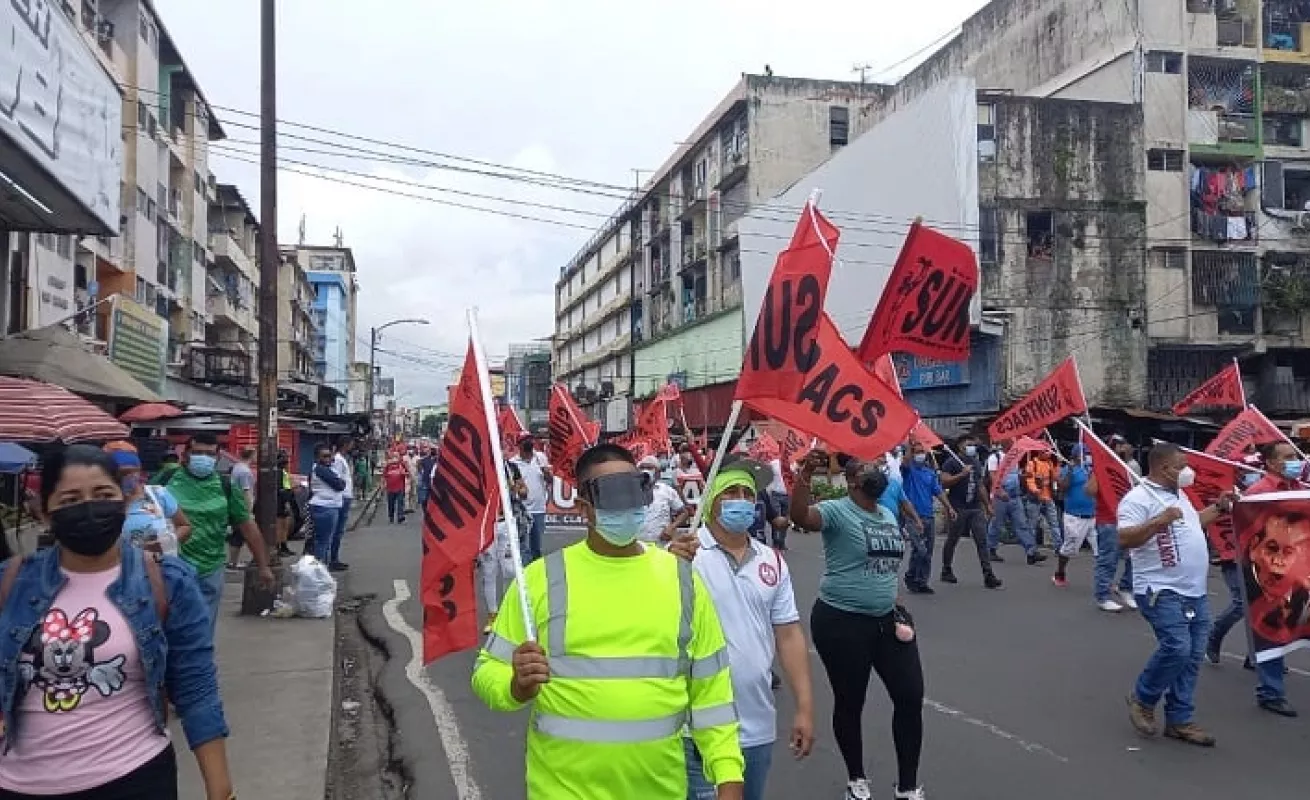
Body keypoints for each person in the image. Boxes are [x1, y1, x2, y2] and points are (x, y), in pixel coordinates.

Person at [471, 443, 745, 800]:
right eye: (611, 495)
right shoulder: (540, 580)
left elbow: (712, 692)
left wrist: (729, 778)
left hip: (660, 791)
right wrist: (516, 685)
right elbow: (487, 671)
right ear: (584, 509)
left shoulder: (683, 580)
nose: (626, 506)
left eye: (633, 490)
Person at [0, 445, 234, 798]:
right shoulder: (11, 582)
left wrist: (221, 791)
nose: (89, 508)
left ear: (122, 502)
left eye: (102, 494)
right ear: (45, 513)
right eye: (71, 499)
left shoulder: (167, 581)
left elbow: (196, 687)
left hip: (135, 777)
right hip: (20, 783)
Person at [668, 462, 814, 800]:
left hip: (756, 724)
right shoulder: (684, 555)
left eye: (747, 494)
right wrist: (669, 571)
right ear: (710, 501)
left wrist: (805, 707)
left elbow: (789, 635)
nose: (741, 501)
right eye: (730, 493)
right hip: (695, 728)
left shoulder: (772, 561)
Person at [790, 451, 926, 800]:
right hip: (841, 621)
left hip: (887, 620)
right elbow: (801, 517)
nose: (877, 472)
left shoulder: (886, 514)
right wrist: (805, 475)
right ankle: (857, 780)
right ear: (851, 480)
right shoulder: (837, 510)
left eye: (878, 467)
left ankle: (908, 785)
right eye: (868, 469)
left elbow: (886, 567)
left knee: (910, 697)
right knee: (851, 701)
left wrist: (898, 608)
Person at [1119, 442, 1234, 747]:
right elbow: (1124, 538)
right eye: (1182, 465)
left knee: (1194, 655)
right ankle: (1143, 698)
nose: (1188, 471)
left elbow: (1193, 521)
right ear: (1163, 468)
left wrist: (1219, 508)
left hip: (1193, 590)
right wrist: (1158, 521)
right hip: (1160, 589)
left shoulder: (1176, 495)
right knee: (1178, 648)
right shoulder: (1139, 498)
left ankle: (1180, 719)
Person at [1208, 442, 1298, 717]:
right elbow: (1251, 535)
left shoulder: (1298, 489)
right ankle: (1270, 692)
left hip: (1295, 569)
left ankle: (1255, 658)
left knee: (1290, 624)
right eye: (1287, 457)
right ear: (1270, 463)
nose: (1294, 461)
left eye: (1295, 455)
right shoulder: (1259, 493)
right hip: (1266, 572)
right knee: (1267, 625)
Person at [166, 434, 273, 632]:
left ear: (217, 458)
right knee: (169, 630)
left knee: (202, 631)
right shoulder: (166, 481)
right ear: (186, 454)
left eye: (209, 454)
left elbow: (248, 527)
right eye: (198, 452)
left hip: (209, 569)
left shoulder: (226, 487)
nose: (203, 458)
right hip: (170, 570)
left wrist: (263, 566)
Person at [105, 442, 191, 554]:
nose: (126, 477)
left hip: (159, 567)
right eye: (120, 473)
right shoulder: (102, 501)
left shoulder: (157, 494)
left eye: (131, 472)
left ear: (139, 471)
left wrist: (169, 541)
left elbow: (184, 526)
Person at [938, 436, 999, 590]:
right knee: (952, 539)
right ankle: (946, 569)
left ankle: (988, 574)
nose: (972, 447)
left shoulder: (976, 463)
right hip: (958, 506)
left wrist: (988, 505)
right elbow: (944, 482)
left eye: (974, 444)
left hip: (975, 507)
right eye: (969, 444)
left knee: (982, 540)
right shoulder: (951, 462)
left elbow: (979, 486)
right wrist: (961, 475)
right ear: (960, 446)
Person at [480, 461, 530, 634]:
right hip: (486, 525)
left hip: (506, 523)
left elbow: (524, 492)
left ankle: (509, 612)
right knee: (489, 570)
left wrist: (516, 488)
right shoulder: (480, 466)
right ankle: (493, 614)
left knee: (510, 569)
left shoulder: (510, 467)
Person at [899, 443, 952, 593]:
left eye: (923, 452)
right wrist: (910, 445)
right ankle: (911, 576)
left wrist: (949, 507)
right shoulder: (909, 471)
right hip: (913, 516)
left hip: (928, 516)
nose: (921, 454)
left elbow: (938, 491)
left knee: (927, 552)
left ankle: (922, 581)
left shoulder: (929, 473)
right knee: (920, 549)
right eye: (918, 452)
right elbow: (905, 462)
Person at [1053, 444, 1097, 588]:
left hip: (1092, 516)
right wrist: (1070, 472)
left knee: (1100, 550)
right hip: (1074, 516)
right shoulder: (1068, 469)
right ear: (1077, 455)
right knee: (1069, 547)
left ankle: (1104, 580)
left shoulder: (1091, 470)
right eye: (1085, 453)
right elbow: (1062, 487)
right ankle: (1059, 573)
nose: (1088, 456)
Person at [509, 435, 552, 564]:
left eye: (530, 440)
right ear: (519, 445)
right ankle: (526, 574)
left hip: (538, 509)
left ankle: (536, 571)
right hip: (521, 511)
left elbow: (550, 481)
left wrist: (546, 472)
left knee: (536, 546)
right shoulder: (513, 463)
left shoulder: (540, 458)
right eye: (525, 441)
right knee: (523, 546)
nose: (529, 443)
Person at [309, 444, 347, 567]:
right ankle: (320, 571)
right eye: (325, 456)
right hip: (325, 507)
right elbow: (340, 485)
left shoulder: (325, 469)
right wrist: (340, 481)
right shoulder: (321, 469)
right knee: (323, 542)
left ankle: (320, 569)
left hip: (327, 507)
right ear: (317, 457)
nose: (329, 459)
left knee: (323, 541)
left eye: (330, 456)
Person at [637, 455, 690, 543]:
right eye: (642, 467)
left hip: (661, 544)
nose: (645, 470)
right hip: (638, 545)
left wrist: (671, 527)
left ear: (658, 473)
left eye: (649, 467)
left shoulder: (667, 491)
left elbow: (684, 513)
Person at [1023, 450, 1062, 550]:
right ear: (1040, 453)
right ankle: (1031, 550)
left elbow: (1055, 477)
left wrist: (1058, 465)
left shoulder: (1049, 463)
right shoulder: (1032, 464)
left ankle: (1058, 547)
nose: (1049, 454)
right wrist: (1035, 490)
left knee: (1054, 523)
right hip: (1035, 499)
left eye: (1049, 452)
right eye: (1046, 452)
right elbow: (1029, 480)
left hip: (1048, 498)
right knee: (1032, 525)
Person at [225, 448, 256, 570]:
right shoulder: (244, 471)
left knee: (238, 534)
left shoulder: (237, 467)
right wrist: (248, 510)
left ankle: (233, 561)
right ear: (251, 455)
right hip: (242, 506)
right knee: (241, 535)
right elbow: (246, 491)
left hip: (236, 504)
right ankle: (233, 562)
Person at [329, 438, 356, 572]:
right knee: (337, 531)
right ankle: (333, 559)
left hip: (345, 497)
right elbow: (337, 479)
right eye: (350, 443)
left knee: (339, 530)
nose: (353, 445)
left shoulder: (342, 459)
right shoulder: (338, 460)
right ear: (345, 445)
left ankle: (334, 558)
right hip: (342, 498)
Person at [275, 450, 297, 558]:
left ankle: (283, 547)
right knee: (281, 526)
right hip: (281, 502)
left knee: (284, 526)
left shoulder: (282, 472)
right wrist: (287, 502)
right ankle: (279, 547)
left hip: (283, 501)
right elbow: (282, 489)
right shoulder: (280, 473)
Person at [383, 453, 409, 524]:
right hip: (390, 488)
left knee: (400, 503)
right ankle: (391, 517)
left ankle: (400, 517)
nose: (395, 458)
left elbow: (408, 473)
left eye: (396, 456)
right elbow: (384, 475)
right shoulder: (388, 465)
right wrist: (383, 484)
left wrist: (404, 473)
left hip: (400, 488)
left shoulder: (402, 465)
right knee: (391, 503)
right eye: (394, 456)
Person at [417, 444, 438, 512]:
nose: (432, 451)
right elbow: (419, 466)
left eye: (434, 449)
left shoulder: (438, 460)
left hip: (435, 484)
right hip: (425, 482)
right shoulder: (424, 460)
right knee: (424, 500)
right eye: (431, 449)